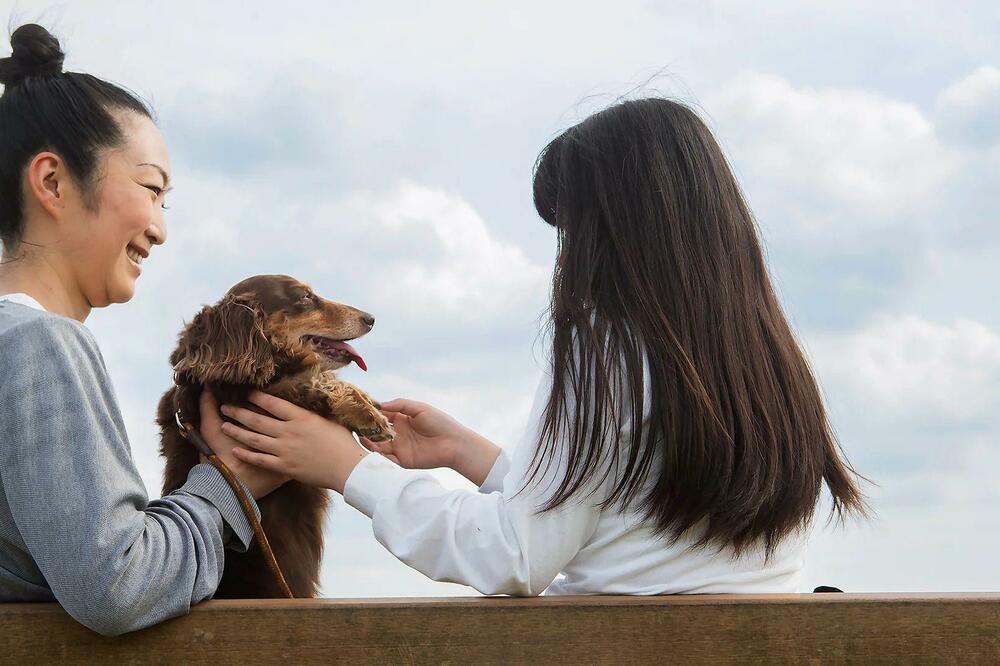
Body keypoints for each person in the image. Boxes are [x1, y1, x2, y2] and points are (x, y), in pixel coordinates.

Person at [215, 97, 869, 596]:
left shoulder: (603, 350)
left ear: (613, 230)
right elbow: (638, 524)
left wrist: (348, 468)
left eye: (573, 227)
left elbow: (515, 559)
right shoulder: (764, 356)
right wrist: (477, 459)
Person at [0, 24, 287, 635]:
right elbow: (116, 584)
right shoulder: (41, 343)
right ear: (52, 182)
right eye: (150, 188)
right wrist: (227, 487)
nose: (160, 227)